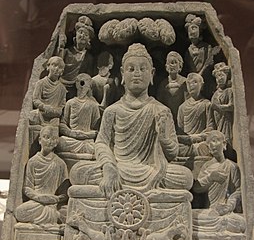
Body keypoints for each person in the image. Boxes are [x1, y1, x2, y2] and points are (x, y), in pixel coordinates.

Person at [70, 43, 193, 197]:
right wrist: (109, 168)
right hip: (118, 168)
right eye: (131, 69)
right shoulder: (112, 110)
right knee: (77, 172)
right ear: (122, 73)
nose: (137, 74)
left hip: (150, 171)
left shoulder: (161, 111)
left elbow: (173, 153)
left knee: (186, 177)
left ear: (152, 73)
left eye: (143, 69)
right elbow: (101, 143)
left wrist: (164, 138)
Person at [192, 130, 245, 234]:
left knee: (240, 223)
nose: (212, 145)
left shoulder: (232, 166)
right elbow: (196, 188)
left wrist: (229, 205)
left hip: (226, 211)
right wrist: (210, 178)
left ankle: (214, 227)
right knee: (191, 216)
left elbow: (238, 190)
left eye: (215, 141)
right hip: (210, 211)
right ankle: (217, 227)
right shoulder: (206, 166)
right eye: (209, 143)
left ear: (224, 144)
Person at [15, 125, 69, 226]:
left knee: (68, 213)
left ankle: (52, 215)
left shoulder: (60, 163)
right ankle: (53, 217)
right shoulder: (32, 162)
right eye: (46, 137)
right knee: (20, 212)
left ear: (56, 142)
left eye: (53, 139)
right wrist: (39, 197)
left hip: (54, 203)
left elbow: (65, 193)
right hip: (37, 202)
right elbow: (27, 188)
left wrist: (55, 199)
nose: (49, 141)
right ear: (40, 140)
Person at [57, 73, 100, 156]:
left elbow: (96, 128)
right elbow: (63, 123)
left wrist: (86, 134)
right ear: (76, 84)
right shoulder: (70, 103)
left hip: (86, 140)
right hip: (72, 139)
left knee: (96, 147)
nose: (82, 86)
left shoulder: (93, 105)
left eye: (85, 83)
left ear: (90, 86)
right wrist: (71, 133)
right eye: (80, 82)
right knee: (60, 143)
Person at [177, 72, 214, 157]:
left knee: (206, 148)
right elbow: (180, 130)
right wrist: (187, 139)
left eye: (195, 82)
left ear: (202, 85)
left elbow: (211, 129)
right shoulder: (182, 107)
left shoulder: (206, 104)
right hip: (186, 143)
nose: (191, 85)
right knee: (174, 148)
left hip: (201, 142)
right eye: (188, 83)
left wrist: (197, 137)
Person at [59, 16, 95, 98]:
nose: (82, 36)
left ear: (89, 40)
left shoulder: (89, 58)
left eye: (86, 35)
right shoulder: (66, 52)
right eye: (80, 32)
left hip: (78, 88)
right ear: (76, 34)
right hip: (62, 85)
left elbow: (88, 77)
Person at [30, 56, 67, 126]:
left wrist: (57, 110)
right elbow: (35, 99)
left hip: (54, 116)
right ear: (48, 67)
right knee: (32, 117)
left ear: (62, 72)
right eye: (54, 65)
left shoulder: (62, 88)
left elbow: (62, 104)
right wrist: (44, 107)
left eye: (60, 67)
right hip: (41, 113)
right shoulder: (41, 83)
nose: (56, 69)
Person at [157, 51, 187, 131]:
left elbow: (188, 101)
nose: (172, 65)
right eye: (170, 63)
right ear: (166, 66)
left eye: (174, 62)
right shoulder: (163, 84)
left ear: (180, 66)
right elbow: (159, 102)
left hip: (182, 116)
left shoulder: (185, 82)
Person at [211, 62, 234, 145]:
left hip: (226, 120)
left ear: (226, 76)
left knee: (227, 140)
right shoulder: (215, 95)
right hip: (218, 121)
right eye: (217, 77)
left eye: (222, 76)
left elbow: (231, 106)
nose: (220, 78)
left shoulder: (229, 91)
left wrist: (219, 107)